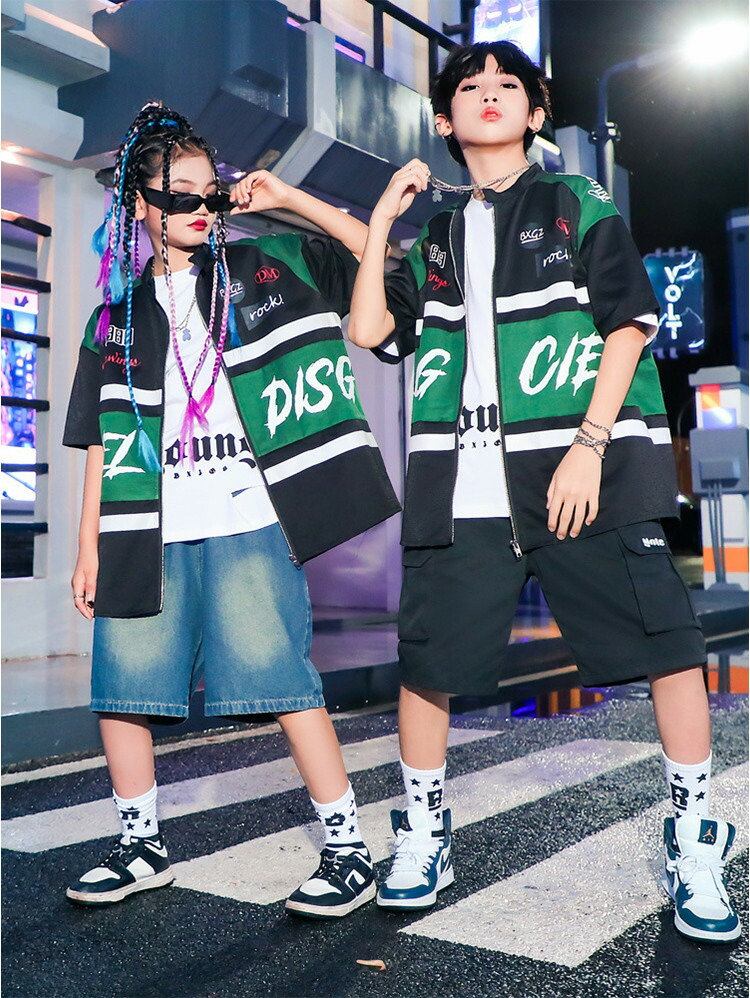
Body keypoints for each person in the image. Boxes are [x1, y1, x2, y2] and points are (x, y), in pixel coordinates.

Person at [347, 42, 740, 943]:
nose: (488, 94)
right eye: (469, 87)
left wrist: (587, 447)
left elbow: (629, 324)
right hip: (462, 484)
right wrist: (380, 221)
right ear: (444, 120)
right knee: (428, 664)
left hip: (580, 473)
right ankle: (424, 834)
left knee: (669, 646)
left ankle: (695, 835)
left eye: (508, 86)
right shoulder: (435, 233)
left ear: (534, 113)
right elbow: (371, 329)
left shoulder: (575, 200)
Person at [63, 102, 399, 919]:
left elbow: (376, 259)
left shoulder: (264, 265)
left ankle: (347, 849)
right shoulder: (114, 317)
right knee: (123, 687)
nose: (199, 206)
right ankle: (141, 844)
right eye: (178, 193)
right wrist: (89, 544)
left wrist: (287, 197)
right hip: (146, 524)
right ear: (138, 204)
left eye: (208, 191)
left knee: (285, 682)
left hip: (249, 516)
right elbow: (102, 438)